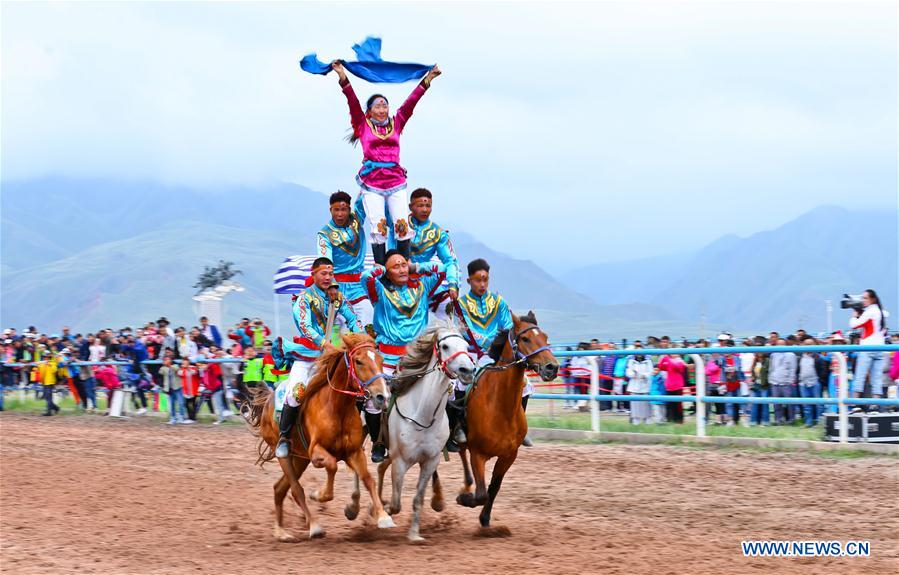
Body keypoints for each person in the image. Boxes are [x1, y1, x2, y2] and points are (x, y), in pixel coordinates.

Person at [332, 60, 441, 264]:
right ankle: (382, 267)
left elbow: (411, 103)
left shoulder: (396, 122)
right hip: (372, 183)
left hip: (395, 181)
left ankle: (404, 264)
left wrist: (428, 79)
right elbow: (352, 101)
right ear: (370, 111)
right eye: (378, 106)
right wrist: (342, 76)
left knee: (401, 224)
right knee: (379, 225)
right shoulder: (362, 125)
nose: (382, 109)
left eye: (385, 105)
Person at [274, 257, 364, 459]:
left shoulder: (336, 298)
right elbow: (304, 325)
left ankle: (354, 436)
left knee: (355, 387)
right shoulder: (303, 298)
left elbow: (352, 317)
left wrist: (359, 338)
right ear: (313, 274)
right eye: (323, 273)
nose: (327, 277)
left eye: (330, 274)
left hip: (329, 355)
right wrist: (324, 344)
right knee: (296, 393)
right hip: (307, 355)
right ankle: (284, 436)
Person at [361, 251, 446, 462]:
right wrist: (381, 268)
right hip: (389, 359)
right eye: (395, 267)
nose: (401, 269)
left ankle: (448, 436)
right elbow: (366, 277)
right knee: (373, 402)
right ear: (387, 274)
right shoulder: (379, 292)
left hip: (418, 358)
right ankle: (378, 443)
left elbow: (442, 270)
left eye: (403, 265)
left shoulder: (423, 287)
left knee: (448, 389)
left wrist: (415, 266)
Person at [454, 258, 516, 448]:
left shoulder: (499, 302)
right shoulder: (461, 304)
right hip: (471, 353)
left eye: (485, 280)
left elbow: (508, 327)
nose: (482, 284)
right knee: (459, 385)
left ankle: (517, 426)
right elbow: (467, 330)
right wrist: (491, 340)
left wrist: (497, 344)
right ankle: (458, 427)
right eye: (477, 280)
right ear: (469, 281)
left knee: (525, 385)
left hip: (495, 355)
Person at [397, 188, 460, 319]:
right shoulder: (399, 224)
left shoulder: (438, 233)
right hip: (397, 279)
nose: (425, 210)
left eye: (428, 206)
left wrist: (453, 284)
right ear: (410, 206)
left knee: (450, 318)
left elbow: (449, 262)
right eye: (420, 205)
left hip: (424, 281)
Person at [316, 191, 373, 327]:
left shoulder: (356, 220)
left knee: (369, 323)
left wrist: (368, 182)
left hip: (359, 287)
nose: (340, 214)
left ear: (349, 209)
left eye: (343, 209)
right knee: (335, 333)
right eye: (336, 210)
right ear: (331, 210)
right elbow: (325, 262)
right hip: (336, 288)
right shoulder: (324, 234)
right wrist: (331, 286)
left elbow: (365, 198)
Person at [849, 289, 889, 412]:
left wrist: (855, 315)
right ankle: (875, 405)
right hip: (880, 348)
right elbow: (885, 314)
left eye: (865, 298)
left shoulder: (870, 311)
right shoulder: (880, 312)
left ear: (872, 299)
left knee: (859, 375)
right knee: (876, 378)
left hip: (867, 347)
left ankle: (855, 404)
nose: (863, 300)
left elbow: (854, 325)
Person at [768, 339, 797, 425]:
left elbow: (793, 369)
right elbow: (771, 368)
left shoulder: (791, 355)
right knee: (776, 403)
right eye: (778, 344)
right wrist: (771, 379)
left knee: (790, 403)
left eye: (782, 344)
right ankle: (778, 420)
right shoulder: (773, 354)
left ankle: (791, 419)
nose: (780, 346)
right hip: (775, 382)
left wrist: (790, 380)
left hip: (786, 383)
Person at [625, 352, 654, 424]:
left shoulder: (648, 361)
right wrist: (633, 374)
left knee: (646, 405)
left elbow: (651, 372)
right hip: (634, 386)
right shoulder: (631, 361)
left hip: (645, 385)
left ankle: (647, 420)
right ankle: (636, 421)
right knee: (635, 405)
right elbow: (628, 372)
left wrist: (644, 375)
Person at [159, 356, 187, 424]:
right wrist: (164, 365)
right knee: (171, 405)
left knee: (181, 403)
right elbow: (160, 372)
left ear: (171, 360)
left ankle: (181, 417)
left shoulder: (175, 366)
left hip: (177, 387)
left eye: (168, 359)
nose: (166, 360)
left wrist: (169, 365)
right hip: (169, 389)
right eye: (165, 359)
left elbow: (176, 369)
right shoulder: (163, 368)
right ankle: (173, 418)